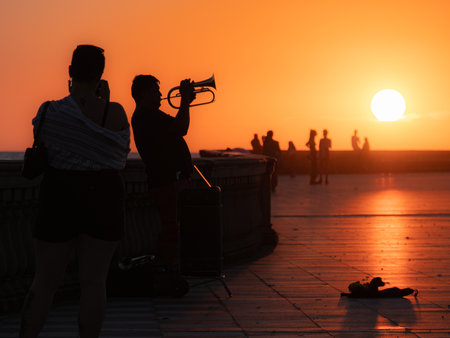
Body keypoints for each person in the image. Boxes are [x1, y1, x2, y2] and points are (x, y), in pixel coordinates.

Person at [20, 45, 130, 338]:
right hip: (104, 197)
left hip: (59, 194)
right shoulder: (115, 112)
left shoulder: (49, 111)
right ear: (101, 74)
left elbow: (45, 143)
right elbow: (118, 157)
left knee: (44, 282)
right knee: (94, 283)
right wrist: (102, 103)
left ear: (70, 72)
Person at [131, 75, 195, 270]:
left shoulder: (150, 116)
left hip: (169, 180)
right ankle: (168, 271)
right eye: (155, 91)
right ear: (144, 94)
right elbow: (181, 127)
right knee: (170, 230)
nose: (160, 94)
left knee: (172, 228)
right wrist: (185, 101)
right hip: (166, 182)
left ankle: (170, 269)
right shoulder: (146, 116)